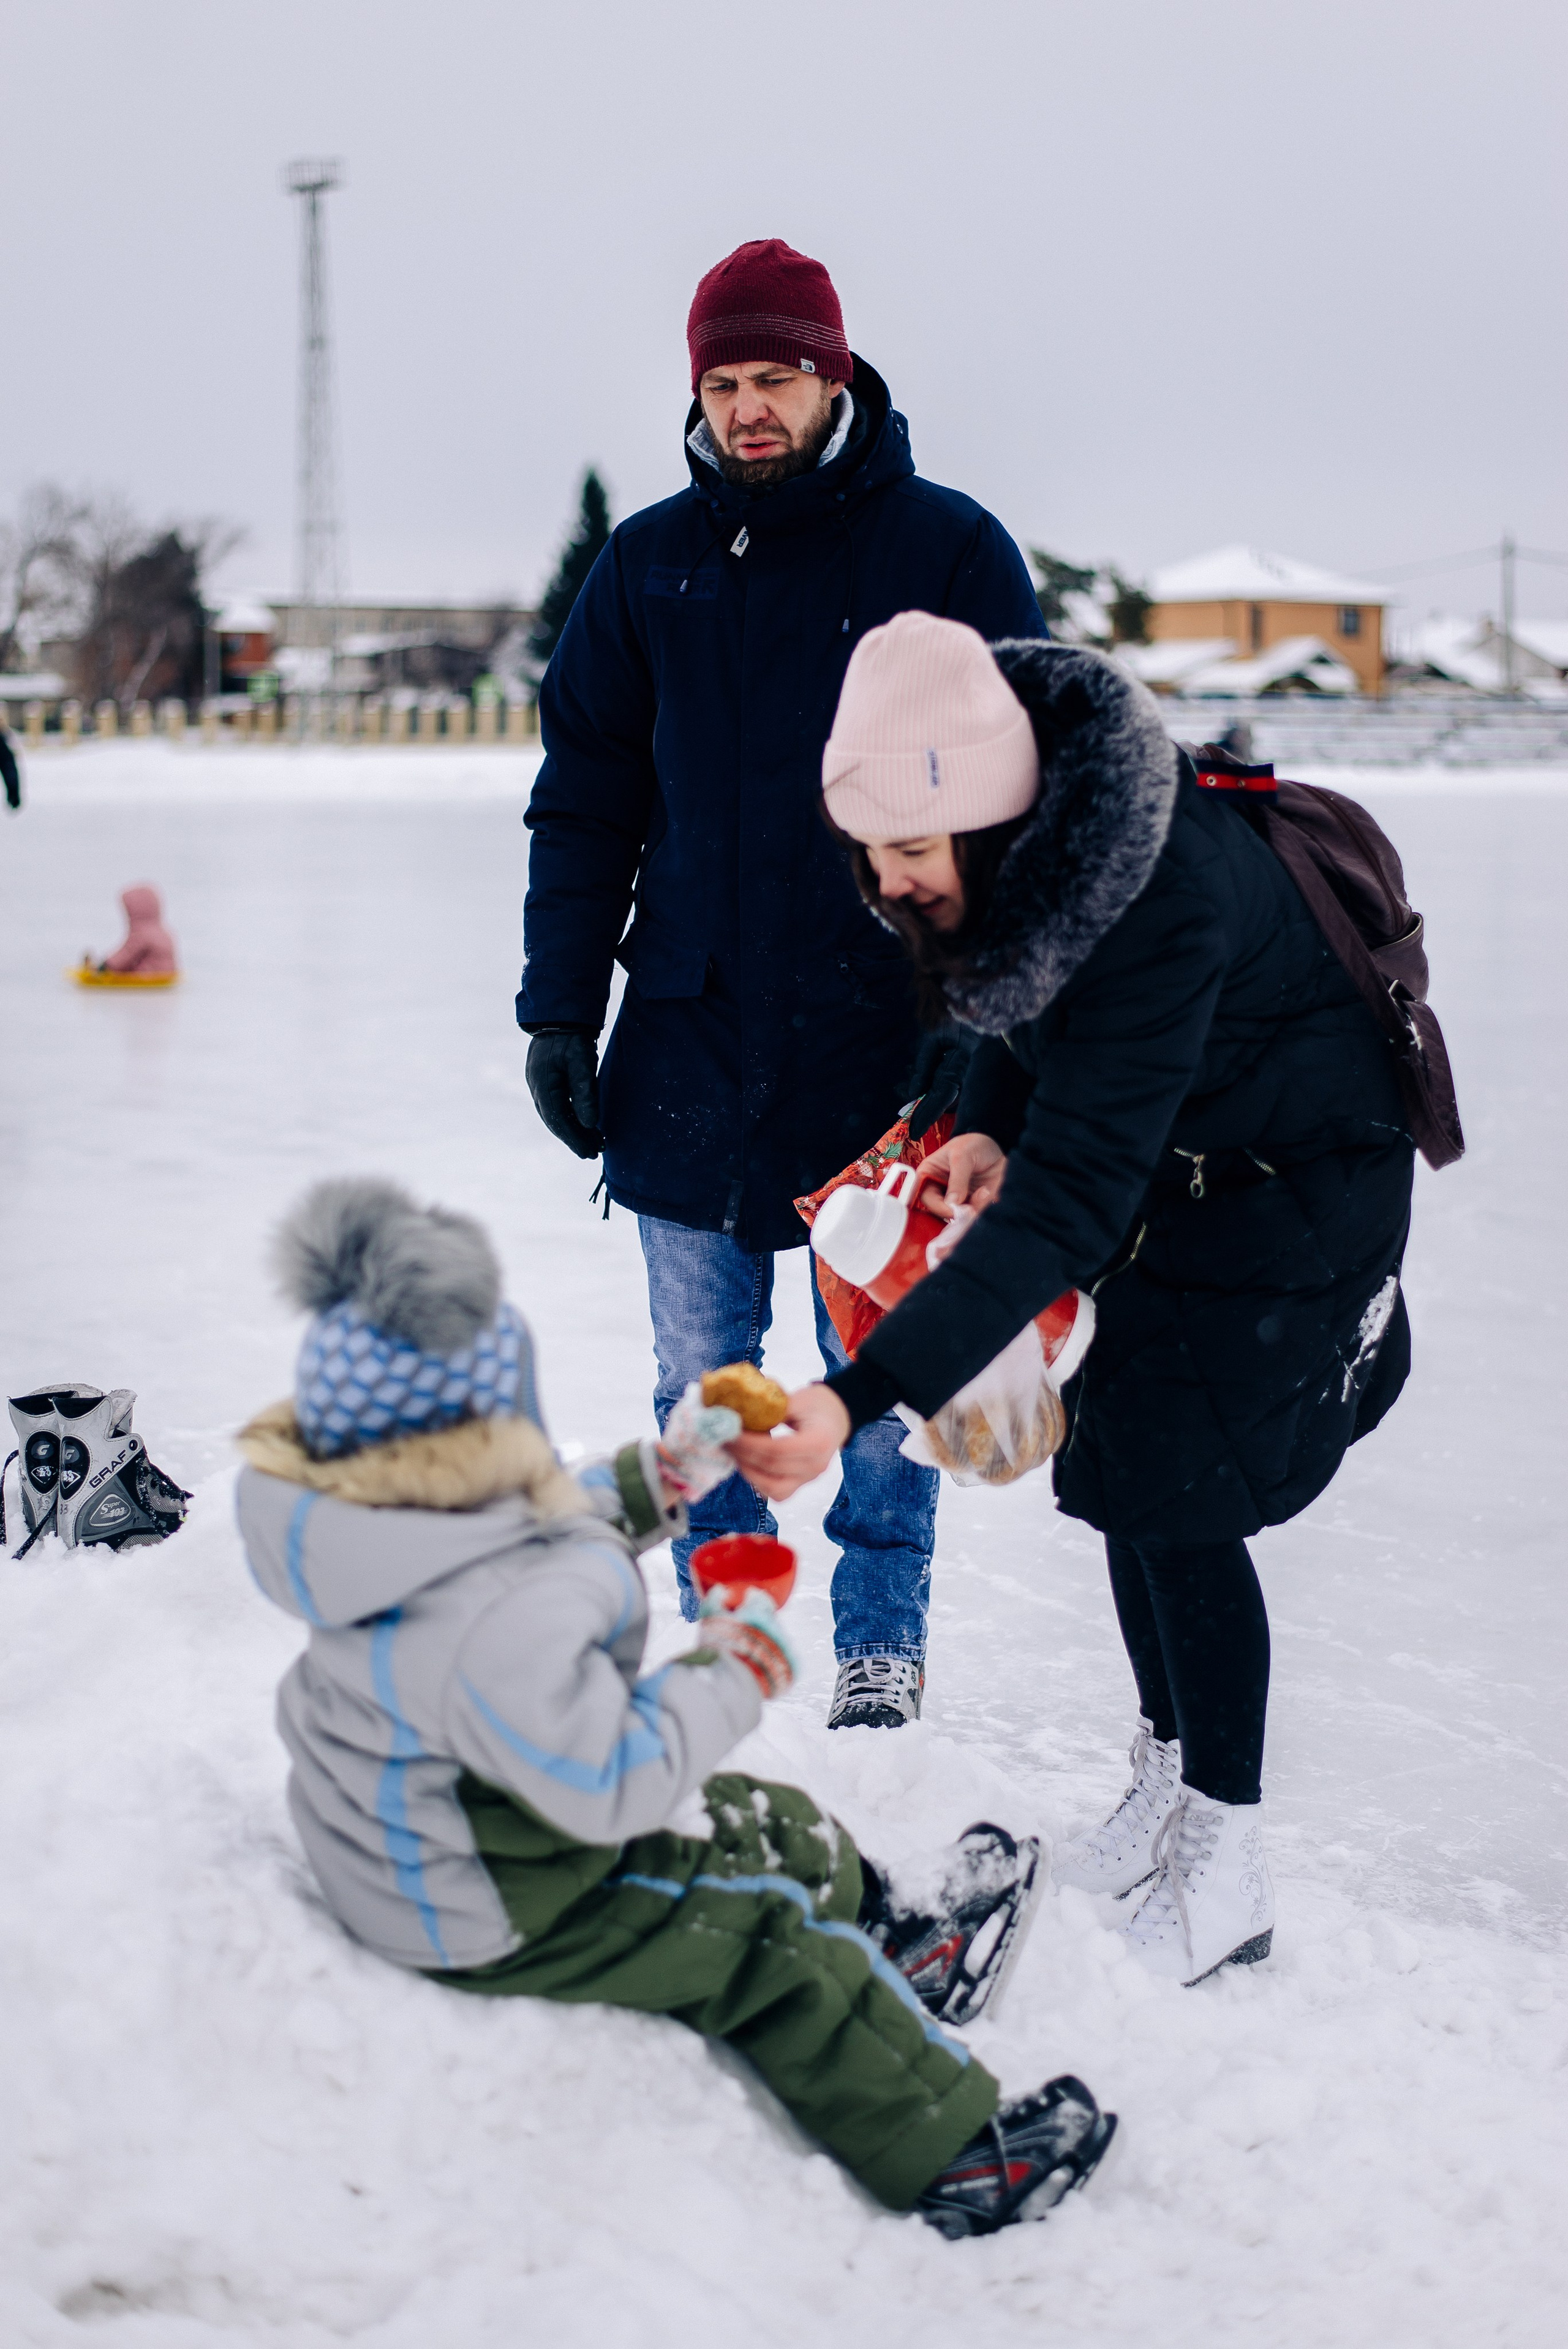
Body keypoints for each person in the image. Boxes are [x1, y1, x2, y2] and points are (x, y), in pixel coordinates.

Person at [731, 613, 1417, 1988]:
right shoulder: (1041, 836)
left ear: (986, 825)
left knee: (1186, 1498)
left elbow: (1066, 1205)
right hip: (1192, 1168)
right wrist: (985, 1117)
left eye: (910, 855)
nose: (886, 883)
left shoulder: (1155, 896)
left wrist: (851, 1393)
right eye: (867, 851)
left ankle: (1224, 1856)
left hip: (1294, 1191)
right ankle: (1163, 1784)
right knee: (1118, 1477)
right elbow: (1016, 1004)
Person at [236, 1176, 1115, 2238]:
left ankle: (905, 1943)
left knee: (757, 1816)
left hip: (459, 1818)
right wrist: (732, 1658)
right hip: (483, 1891)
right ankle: (952, 2155)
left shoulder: (405, 1518)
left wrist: (672, 1472)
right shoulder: (475, 1621)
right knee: (767, 1941)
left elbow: (545, 1524)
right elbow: (610, 1784)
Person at [517, 239, 1046, 1730]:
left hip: (885, 1040)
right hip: (685, 1034)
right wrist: (559, 1005)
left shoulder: (943, 550)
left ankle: (878, 1633)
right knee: (701, 1370)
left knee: (873, 1368)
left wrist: (986, 1038)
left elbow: (1023, 809)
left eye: (777, 378)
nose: (750, 408)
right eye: (724, 382)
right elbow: (585, 799)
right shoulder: (647, 564)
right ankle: (725, 1618)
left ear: (833, 376)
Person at [1, 717, 21, 813]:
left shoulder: (7, 734)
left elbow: (15, 748)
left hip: (6, 758)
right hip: (6, 758)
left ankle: (13, 799)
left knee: (11, 777)